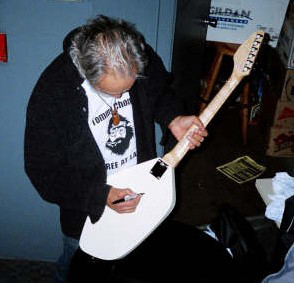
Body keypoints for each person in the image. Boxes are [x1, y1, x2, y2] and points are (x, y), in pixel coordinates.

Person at [24, 15, 208, 282]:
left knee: (134, 259)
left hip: (141, 188)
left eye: (128, 89)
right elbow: (42, 171)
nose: (121, 99)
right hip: (88, 211)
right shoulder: (52, 93)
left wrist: (173, 118)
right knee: (77, 267)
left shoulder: (138, 56)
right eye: (111, 93)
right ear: (87, 72)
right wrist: (101, 195)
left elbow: (160, 94)